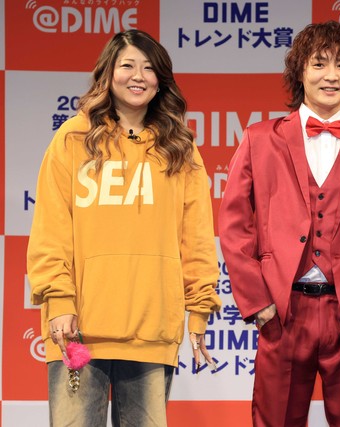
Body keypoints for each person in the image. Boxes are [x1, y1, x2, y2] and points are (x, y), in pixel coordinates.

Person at [218, 20, 340, 427]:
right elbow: (234, 225)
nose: (331, 76)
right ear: (300, 72)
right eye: (319, 64)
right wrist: (259, 302)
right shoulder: (259, 139)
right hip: (283, 311)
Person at [26, 29, 222, 426]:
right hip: (78, 329)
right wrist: (59, 301)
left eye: (149, 68)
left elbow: (197, 237)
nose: (138, 76)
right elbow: (51, 229)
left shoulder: (179, 147)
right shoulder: (73, 138)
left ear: (160, 80)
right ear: (108, 73)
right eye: (127, 65)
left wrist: (200, 308)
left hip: (151, 329)